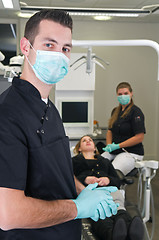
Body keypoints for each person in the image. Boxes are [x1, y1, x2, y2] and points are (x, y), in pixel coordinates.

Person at [0, 9, 118, 240]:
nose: (59, 55)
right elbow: (8, 214)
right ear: (26, 47)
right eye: (49, 45)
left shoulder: (49, 107)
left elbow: (54, 168)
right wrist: (78, 208)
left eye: (65, 49)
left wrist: (83, 192)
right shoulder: (7, 115)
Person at [72, 135, 144, 240]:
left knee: (120, 212)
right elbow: (69, 180)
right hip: (91, 193)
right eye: (84, 141)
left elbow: (117, 181)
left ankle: (132, 234)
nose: (88, 141)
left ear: (95, 148)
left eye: (90, 140)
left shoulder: (105, 161)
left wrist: (108, 180)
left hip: (110, 192)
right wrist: (85, 179)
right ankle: (112, 235)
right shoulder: (74, 161)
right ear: (79, 148)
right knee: (101, 215)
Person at [102, 82, 146, 175]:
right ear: (116, 95)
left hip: (131, 153)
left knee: (112, 172)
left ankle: (118, 189)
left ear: (131, 93)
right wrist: (109, 145)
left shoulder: (136, 112)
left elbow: (139, 137)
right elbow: (110, 131)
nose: (123, 96)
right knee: (98, 166)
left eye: (126, 93)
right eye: (120, 94)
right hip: (114, 151)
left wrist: (118, 145)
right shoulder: (115, 111)